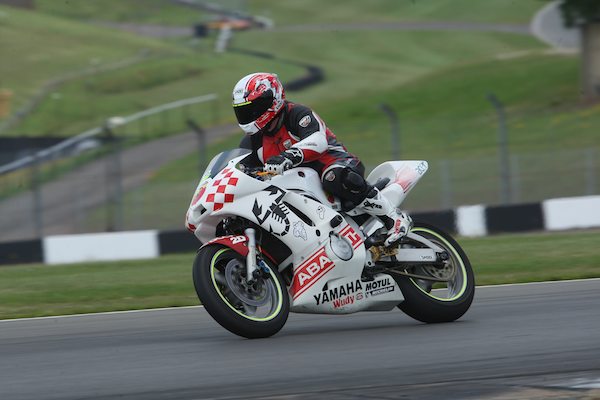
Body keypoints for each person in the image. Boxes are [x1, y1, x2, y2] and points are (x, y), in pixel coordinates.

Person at [232, 72, 411, 246]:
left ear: (272, 100)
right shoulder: (252, 141)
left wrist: (288, 156)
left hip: (334, 163)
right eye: (243, 110)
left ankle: (393, 218)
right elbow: (242, 171)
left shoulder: (297, 114)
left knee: (333, 177)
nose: (249, 114)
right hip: (298, 186)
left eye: (252, 108)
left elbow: (318, 140)